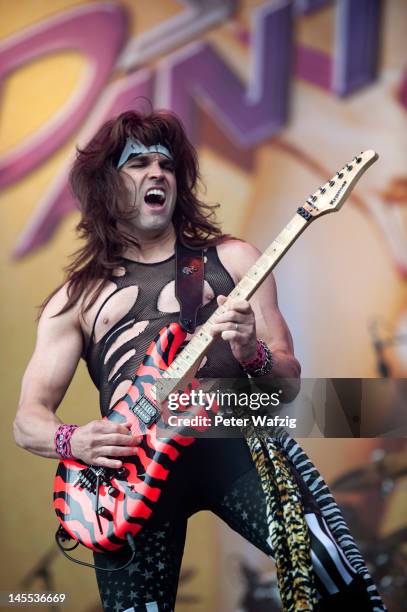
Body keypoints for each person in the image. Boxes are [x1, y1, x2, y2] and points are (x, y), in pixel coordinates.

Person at [14, 110, 384, 612]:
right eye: (138, 164)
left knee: (330, 571)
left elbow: (289, 381)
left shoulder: (234, 260)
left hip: (229, 439)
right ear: (106, 185)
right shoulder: (75, 299)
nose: (156, 173)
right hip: (131, 473)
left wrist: (251, 352)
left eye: (165, 166)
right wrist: (73, 439)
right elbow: (26, 421)